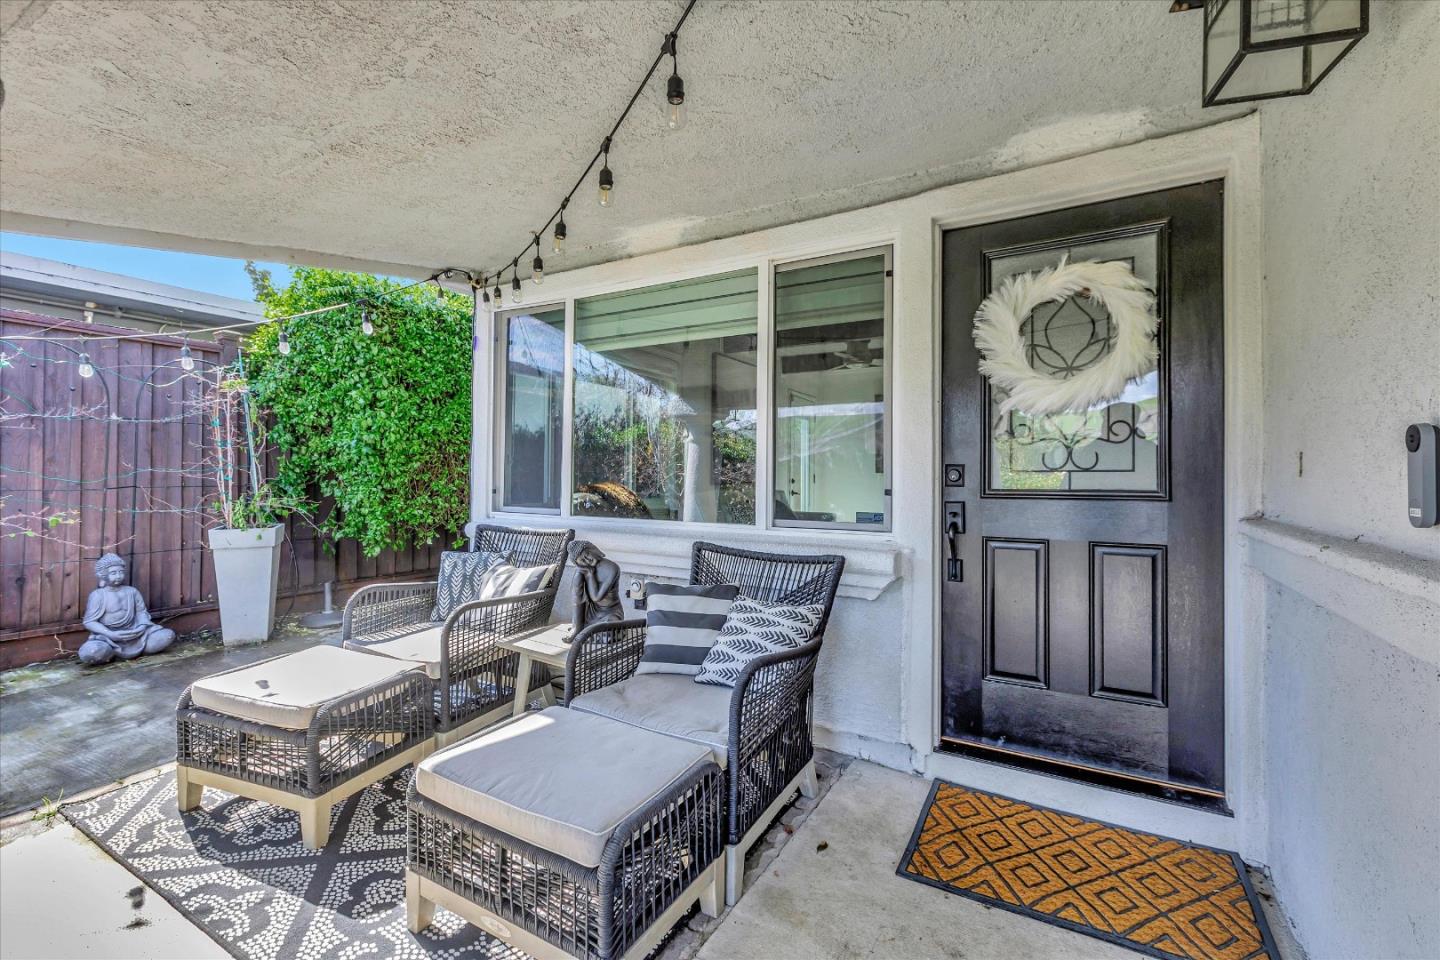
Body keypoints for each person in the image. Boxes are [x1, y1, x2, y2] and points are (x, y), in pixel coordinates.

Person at [77, 553, 176, 665]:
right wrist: (110, 634)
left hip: (136, 633)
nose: (118, 576)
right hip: (108, 637)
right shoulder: (98, 595)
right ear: (103, 575)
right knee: (91, 652)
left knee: (167, 635)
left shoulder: (132, 592)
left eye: (121, 572)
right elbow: (89, 622)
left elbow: (141, 613)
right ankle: (110, 653)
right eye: (113, 573)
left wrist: (141, 627)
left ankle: (138, 649)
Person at [566, 540, 624, 639]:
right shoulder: (583, 570)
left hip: (610, 612)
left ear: (592, 549)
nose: (587, 561)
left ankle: (583, 629)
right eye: (582, 561)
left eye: (587, 554)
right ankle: (577, 627)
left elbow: (596, 597)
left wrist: (590, 574)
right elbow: (577, 597)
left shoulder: (611, 568)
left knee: (608, 632)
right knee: (577, 576)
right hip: (591, 612)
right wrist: (580, 573)